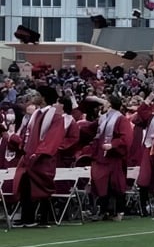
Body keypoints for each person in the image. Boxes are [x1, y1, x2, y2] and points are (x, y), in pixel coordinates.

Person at [12, 87, 71, 227]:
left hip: (42, 159)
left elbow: (53, 138)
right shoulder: (36, 114)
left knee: (42, 188)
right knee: (25, 187)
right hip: (28, 157)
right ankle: (27, 218)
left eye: (37, 95)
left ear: (43, 98)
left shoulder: (56, 117)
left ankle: (43, 219)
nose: (34, 98)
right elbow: (27, 134)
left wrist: (39, 153)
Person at [82, 95, 131, 221]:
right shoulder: (103, 118)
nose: (102, 105)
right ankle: (103, 210)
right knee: (100, 183)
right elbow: (90, 130)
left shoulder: (121, 119)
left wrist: (113, 145)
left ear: (110, 104)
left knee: (116, 184)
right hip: (100, 156)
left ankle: (118, 211)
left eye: (106, 102)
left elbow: (126, 138)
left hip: (114, 157)